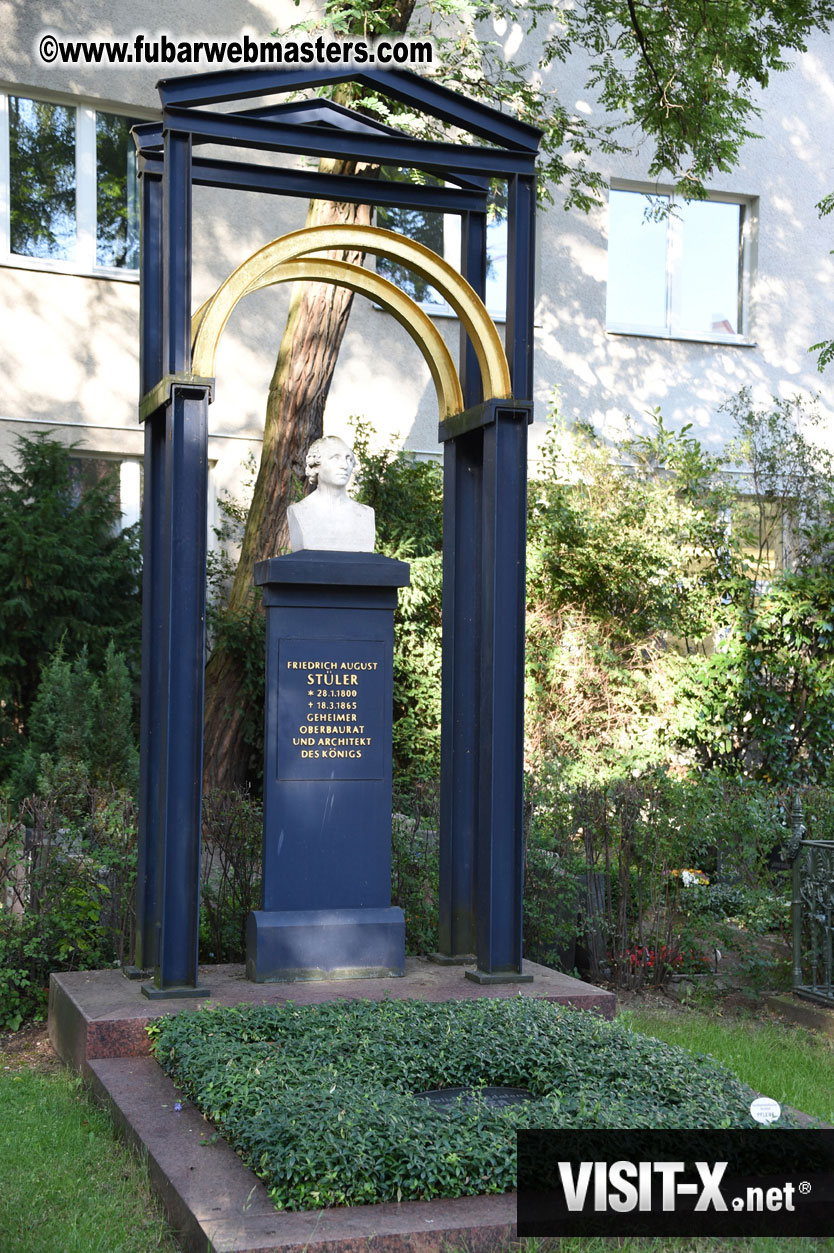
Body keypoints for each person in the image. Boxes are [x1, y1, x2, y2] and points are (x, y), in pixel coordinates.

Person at [287, 435, 375, 552]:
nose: (345, 466)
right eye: (335, 458)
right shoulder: (299, 511)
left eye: (349, 459)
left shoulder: (365, 514)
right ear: (316, 465)